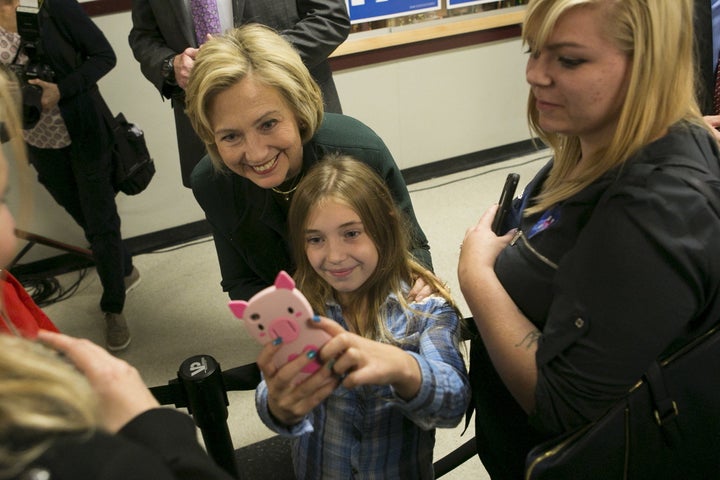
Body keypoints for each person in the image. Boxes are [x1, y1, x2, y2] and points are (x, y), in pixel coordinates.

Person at [457, 1, 720, 479]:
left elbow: (560, 406)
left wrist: (476, 277)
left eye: (569, 60)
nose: (535, 74)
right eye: (533, 52)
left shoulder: (653, 214)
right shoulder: (597, 137)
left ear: (649, 67)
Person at [0, 67, 234, 480]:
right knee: (98, 229)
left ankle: (116, 294)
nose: (12, 233)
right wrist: (151, 425)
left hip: (85, 138)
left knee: (102, 227)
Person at [253, 154, 470, 479]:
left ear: (384, 227)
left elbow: (453, 402)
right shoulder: (298, 308)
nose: (335, 256)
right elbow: (275, 393)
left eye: (351, 233)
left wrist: (404, 368)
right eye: (315, 239)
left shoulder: (426, 310)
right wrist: (276, 406)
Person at [185, 24, 433, 305]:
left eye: (268, 124)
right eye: (230, 136)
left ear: (299, 109)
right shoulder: (211, 182)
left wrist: (418, 283)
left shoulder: (360, 151)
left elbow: (411, 247)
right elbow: (242, 282)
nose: (255, 154)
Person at [0, 0, 139, 352]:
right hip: (38, 142)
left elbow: (104, 56)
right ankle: (124, 266)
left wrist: (61, 90)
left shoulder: (53, 6)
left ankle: (113, 307)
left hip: (83, 132)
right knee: (87, 218)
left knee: (100, 222)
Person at [128, 0, 350, 187]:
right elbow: (143, 36)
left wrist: (255, 58)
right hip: (211, 140)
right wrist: (170, 65)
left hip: (296, 123)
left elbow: (329, 18)